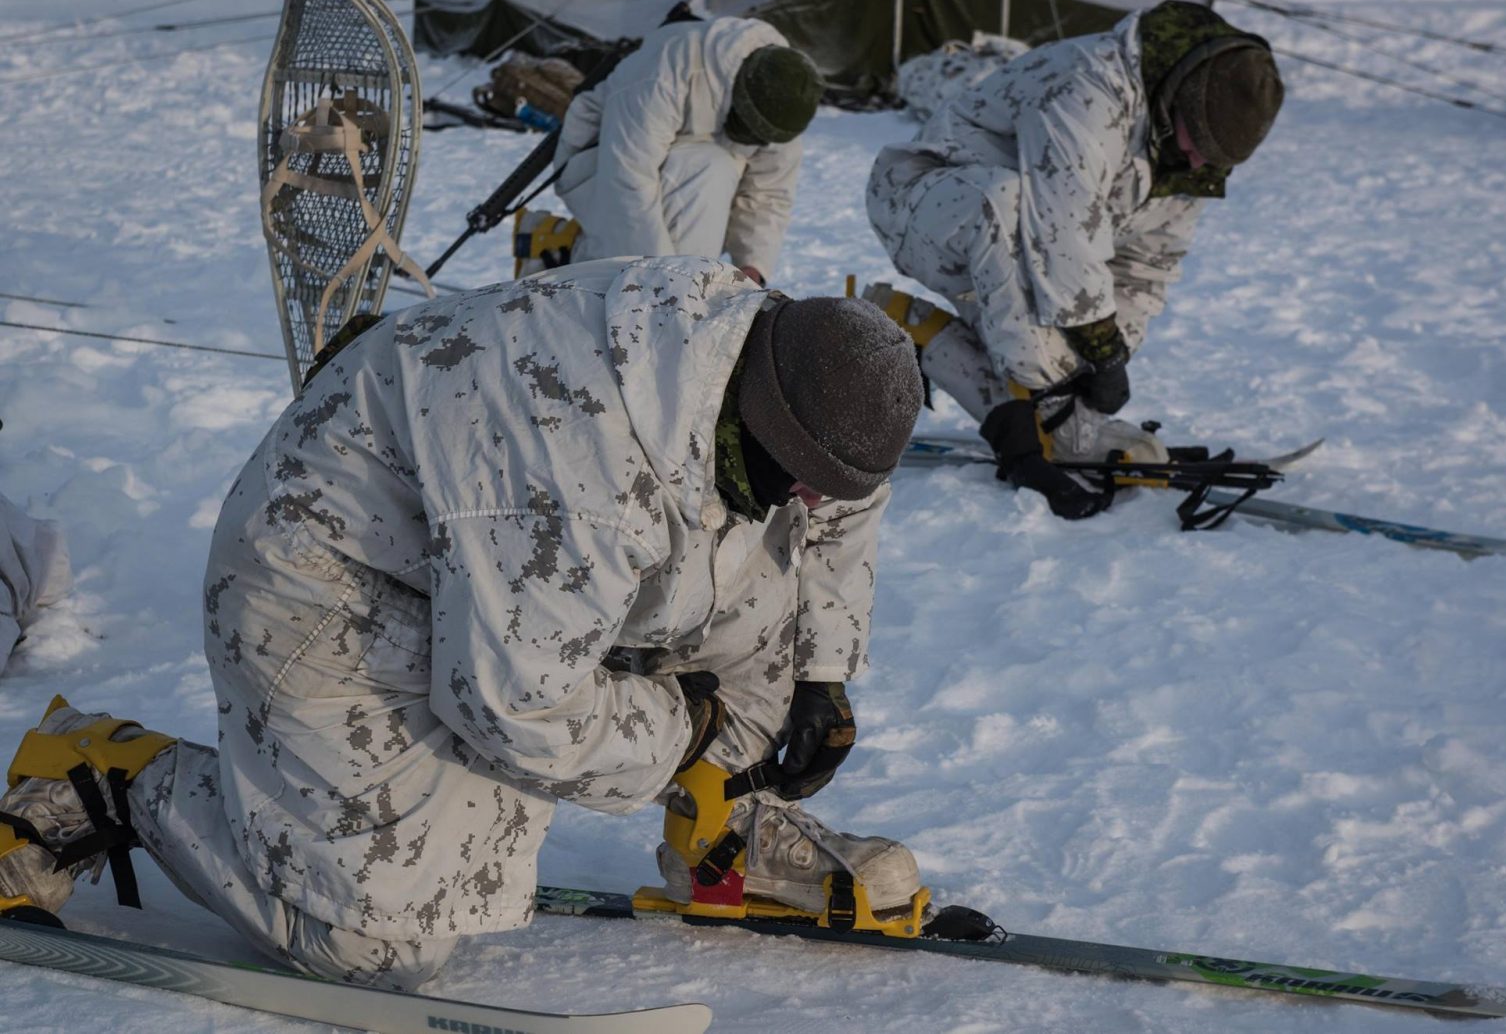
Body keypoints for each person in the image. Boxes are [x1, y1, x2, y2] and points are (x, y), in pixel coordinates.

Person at [0, 256, 926, 989]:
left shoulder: (774, 358)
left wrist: (821, 673)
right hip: (333, 579)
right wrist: (688, 729)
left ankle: (721, 833)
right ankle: (106, 779)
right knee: (367, 948)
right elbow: (516, 707)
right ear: (762, 425)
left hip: (506, 567)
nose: (818, 501)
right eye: (803, 475)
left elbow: (842, 498)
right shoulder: (582, 462)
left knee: (770, 572)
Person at [864, 1, 1284, 519]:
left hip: (1017, 249)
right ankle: (1047, 419)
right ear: (1182, 100)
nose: (1199, 163)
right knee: (1011, 207)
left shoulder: (1186, 156)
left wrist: (1110, 358)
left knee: (1060, 357)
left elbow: (1146, 268)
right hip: (922, 203)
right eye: (1200, 144)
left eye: (1215, 159)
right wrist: (1083, 364)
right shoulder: (1090, 88)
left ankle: (914, 329)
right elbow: (1060, 234)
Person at [550, 16, 824, 286]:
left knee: (713, 171)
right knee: (709, 167)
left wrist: (752, 265)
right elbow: (628, 178)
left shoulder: (783, 104)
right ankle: (596, 273)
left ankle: (683, 294)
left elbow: (769, 192)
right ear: (739, 95)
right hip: (599, 167)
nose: (755, 141)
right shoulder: (669, 68)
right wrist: (668, 281)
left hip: (690, 185)